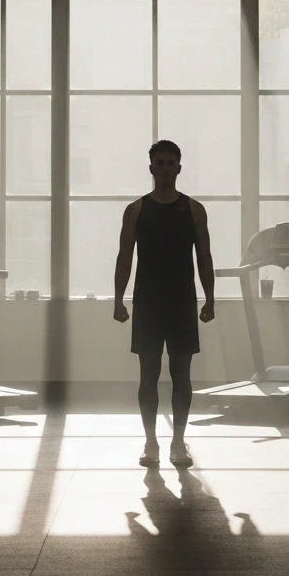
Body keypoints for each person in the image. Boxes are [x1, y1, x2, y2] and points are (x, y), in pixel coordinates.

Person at [113, 140, 215, 468]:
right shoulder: (137, 210)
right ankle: (150, 442)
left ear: (179, 168)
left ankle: (179, 442)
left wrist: (210, 298)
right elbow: (124, 258)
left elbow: (205, 258)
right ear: (151, 168)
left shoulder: (194, 210)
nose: (166, 168)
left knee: (181, 375)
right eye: (160, 163)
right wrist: (118, 299)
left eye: (171, 163)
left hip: (183, 303)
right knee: (149, 375)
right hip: (148, 304)